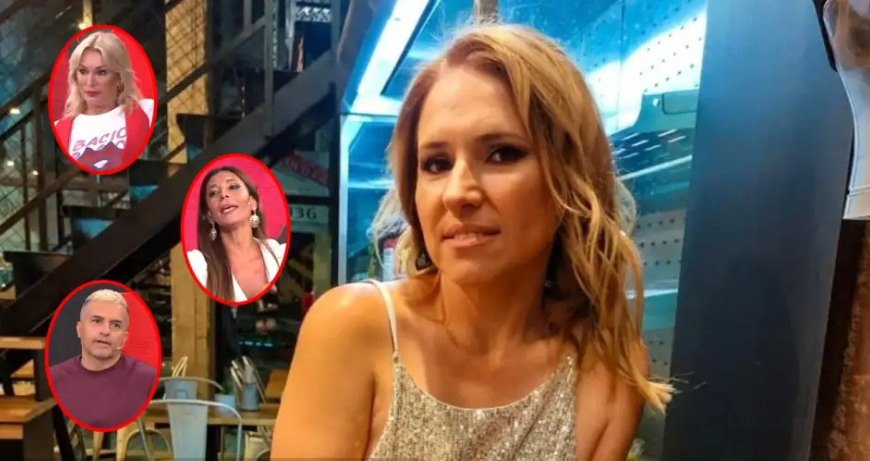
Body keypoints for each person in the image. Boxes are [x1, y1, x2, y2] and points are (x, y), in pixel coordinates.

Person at [272, 24, 673, 460]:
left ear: (570, 178)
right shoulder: (353, 329)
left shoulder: (607, 370)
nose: (458, 192)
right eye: (437, 163)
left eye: (502, 153)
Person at [49, 289, 157, 430]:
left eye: (115, 325)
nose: (106, 331)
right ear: (79, 329)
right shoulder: (54, 378)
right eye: (96, 321)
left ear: (124, 337)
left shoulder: (147, 378)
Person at [53, 30, 155, 171]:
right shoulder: (60, 128)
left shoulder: (147, 110)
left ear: (119, 78)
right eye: (83, 71)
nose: (90, 82)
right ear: (75, 76)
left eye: (101, 72)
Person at [186, 165, 286, 303]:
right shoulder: (198, 265)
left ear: (253, 203)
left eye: (233, 187)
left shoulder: (279, 254)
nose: (223, 195)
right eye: (214, 193)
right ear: (209, 215)